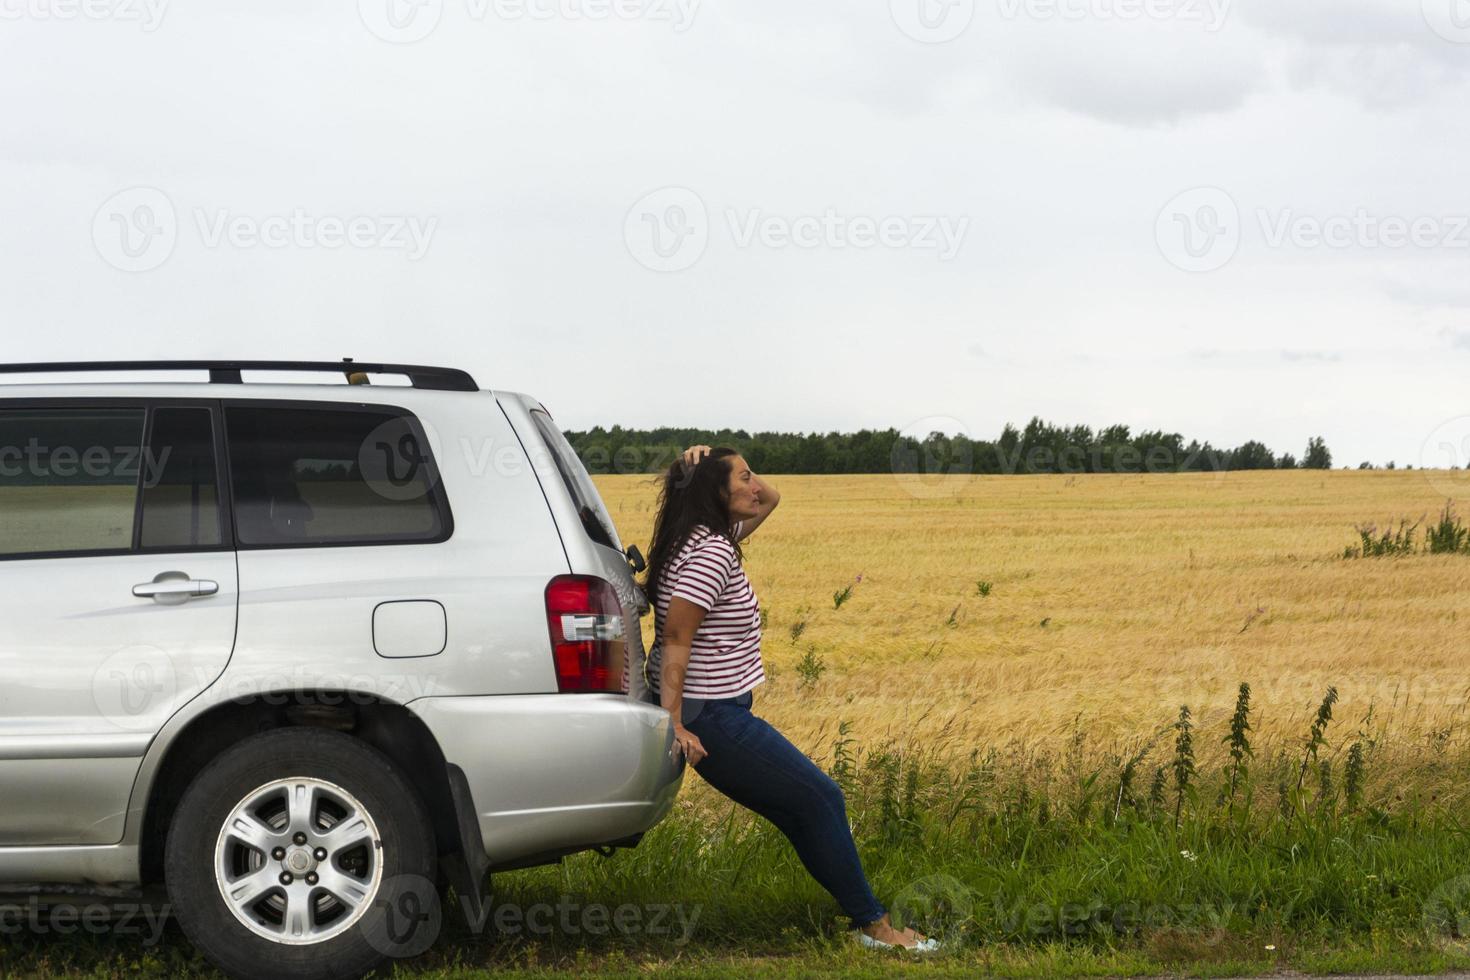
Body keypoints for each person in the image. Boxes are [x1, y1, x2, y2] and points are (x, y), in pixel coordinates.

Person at [642, 444, 939, 953]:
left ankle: (862, 918)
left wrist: (713, 455)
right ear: (716, 494)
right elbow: (674, 640)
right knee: (823, 799)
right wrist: (676, 725)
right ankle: (876, 927)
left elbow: (772, 499)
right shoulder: (711, 553)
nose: (755, 486)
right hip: (711, 718)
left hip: (716, 711)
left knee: (801, 809)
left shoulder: (698, 536)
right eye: (742, 478)